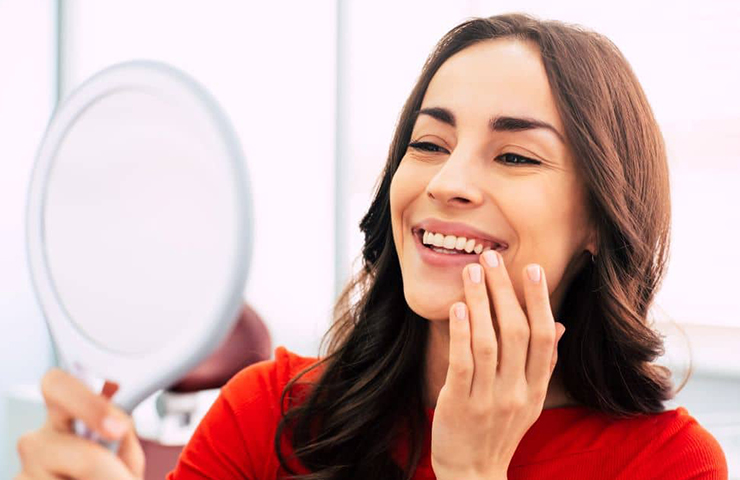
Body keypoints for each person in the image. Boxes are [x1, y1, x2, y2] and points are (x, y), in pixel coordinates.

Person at [15, 13, 728, 480]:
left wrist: (473, 473)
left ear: (601, 219)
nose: (448, 181)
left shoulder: (670, 465)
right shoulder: (267, 414)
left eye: (514, 157)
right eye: (428, 143)